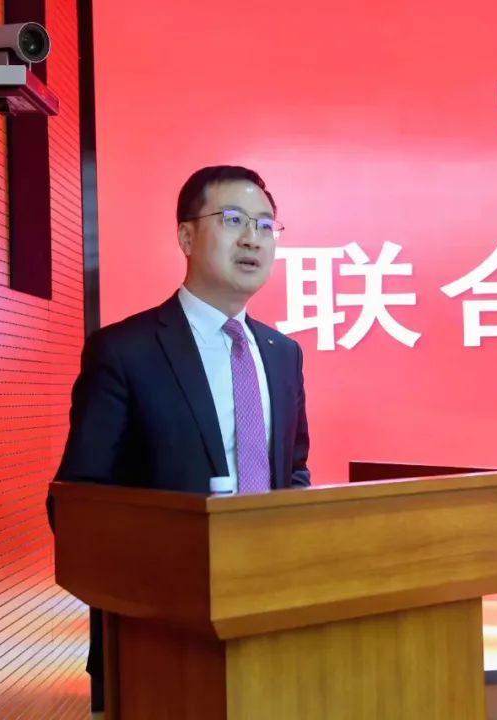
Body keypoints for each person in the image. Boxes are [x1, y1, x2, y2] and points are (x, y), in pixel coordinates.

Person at [50, 165, 311, 711]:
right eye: (233, 220)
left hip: (271, 618)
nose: (253, 239)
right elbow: (78, 502)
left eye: (266, 225)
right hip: (160, 639)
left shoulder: (282, 354)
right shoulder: (125, 350)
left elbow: (293, 471)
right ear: (186, 236)